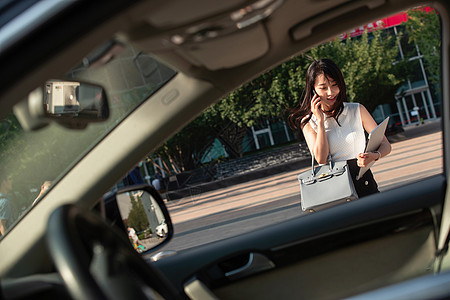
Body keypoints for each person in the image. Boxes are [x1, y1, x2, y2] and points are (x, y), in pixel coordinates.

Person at [288, 58, 391, 197]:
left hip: (365, 183)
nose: (331, 92)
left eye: (335, 85)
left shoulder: (357, 110)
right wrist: (320, 120)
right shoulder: (308, 122)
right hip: (336, 189)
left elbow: (385, 144)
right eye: (323, 88)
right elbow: (321, 159)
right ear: (313, 89)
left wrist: (374, 156)